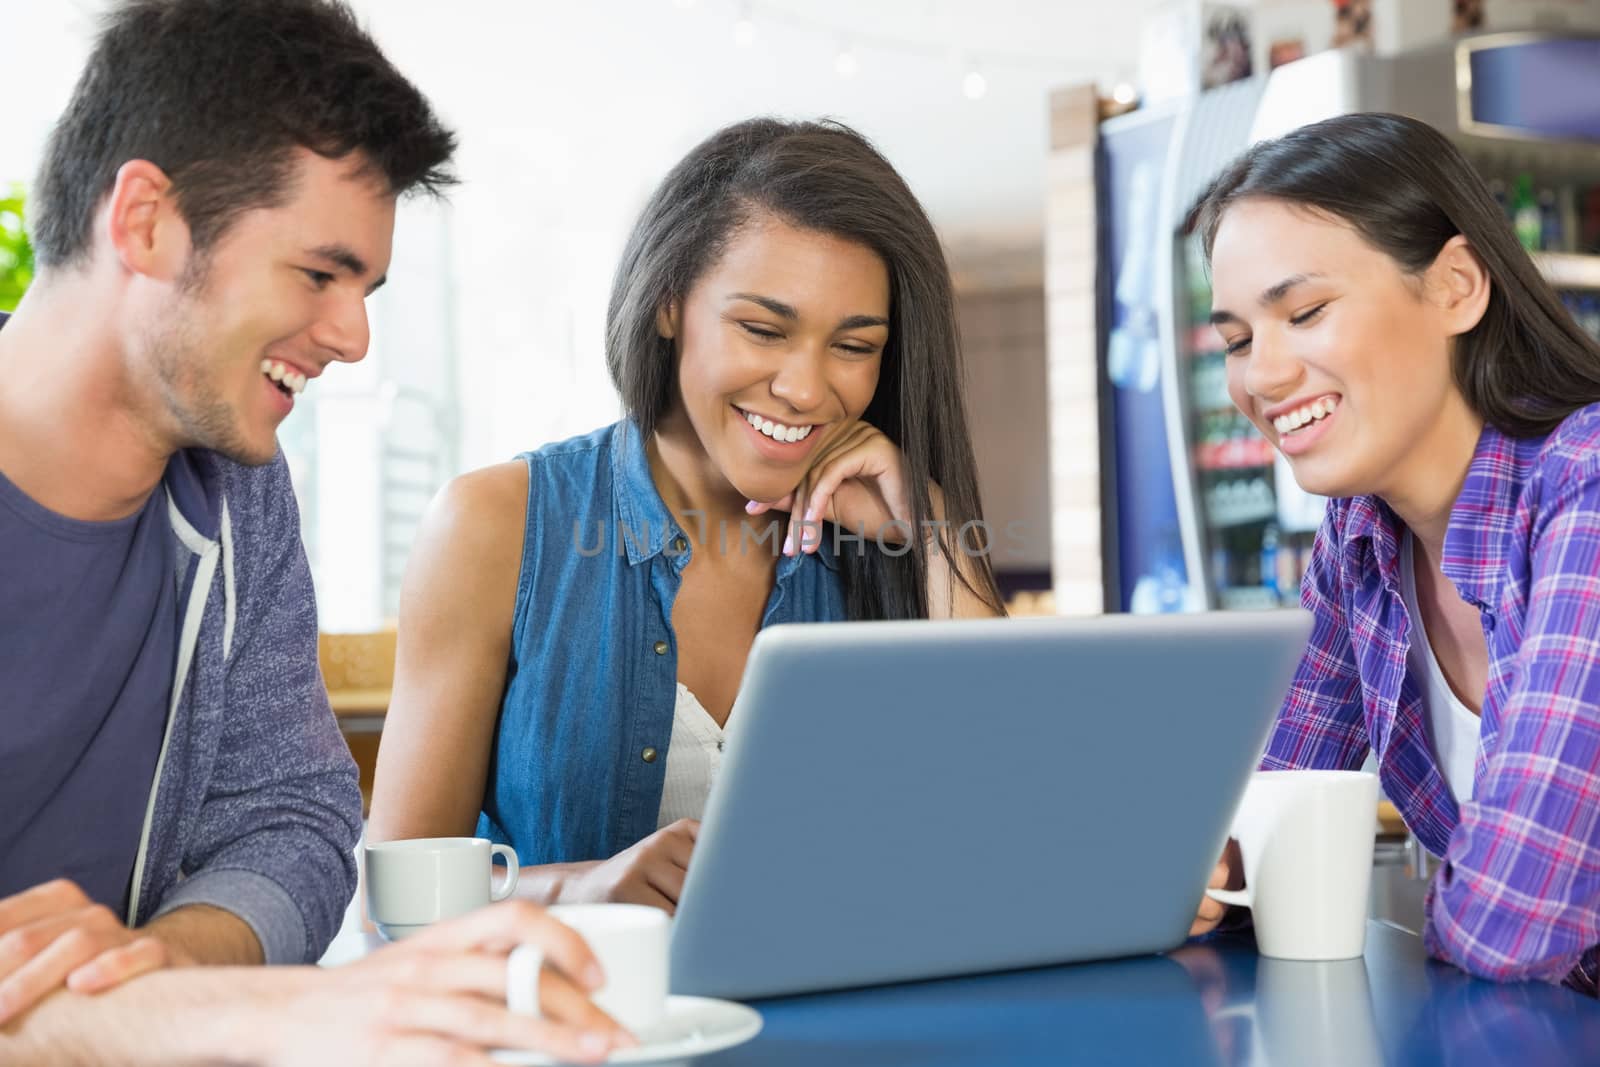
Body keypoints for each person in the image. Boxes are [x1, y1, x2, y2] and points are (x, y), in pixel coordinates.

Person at [0, 0, 631, 1059]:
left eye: (368, 287)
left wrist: (162, 967)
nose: (352, 335)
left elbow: (291, 820)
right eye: (320, 272)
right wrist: (281, 1009)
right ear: (146, 220)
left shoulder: (239, 497)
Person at [369, 118, 1006, 912]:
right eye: (763, 329)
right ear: (670, 303)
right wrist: (578, 886)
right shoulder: (493, 525)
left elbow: (1009, 836)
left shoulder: (885, 535)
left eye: (854, 346)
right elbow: (394, 896)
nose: (807, 389)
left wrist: (934, 536)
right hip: (575, 1028)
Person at [1186, 112, 1600, 996]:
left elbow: (1517, 916)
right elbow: (1271, 823)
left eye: (1304, 312)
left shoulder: (1587, 482)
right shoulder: (1360, 542)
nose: (1261, 377)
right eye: (1236, 339)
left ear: (1455, 285)